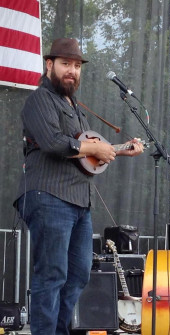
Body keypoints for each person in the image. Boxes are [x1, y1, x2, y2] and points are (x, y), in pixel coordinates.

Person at [14, 38, 143, 335]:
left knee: (79, 275)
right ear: (50, 65)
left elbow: (91, 151)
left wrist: (122, 149)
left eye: (76, 65)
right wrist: (93, 148)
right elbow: (54, 143)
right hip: (48, 195)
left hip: (79, 201)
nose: (72, 70)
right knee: (52, 275)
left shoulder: (75, 106)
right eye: (65, 64)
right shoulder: (39, 100)